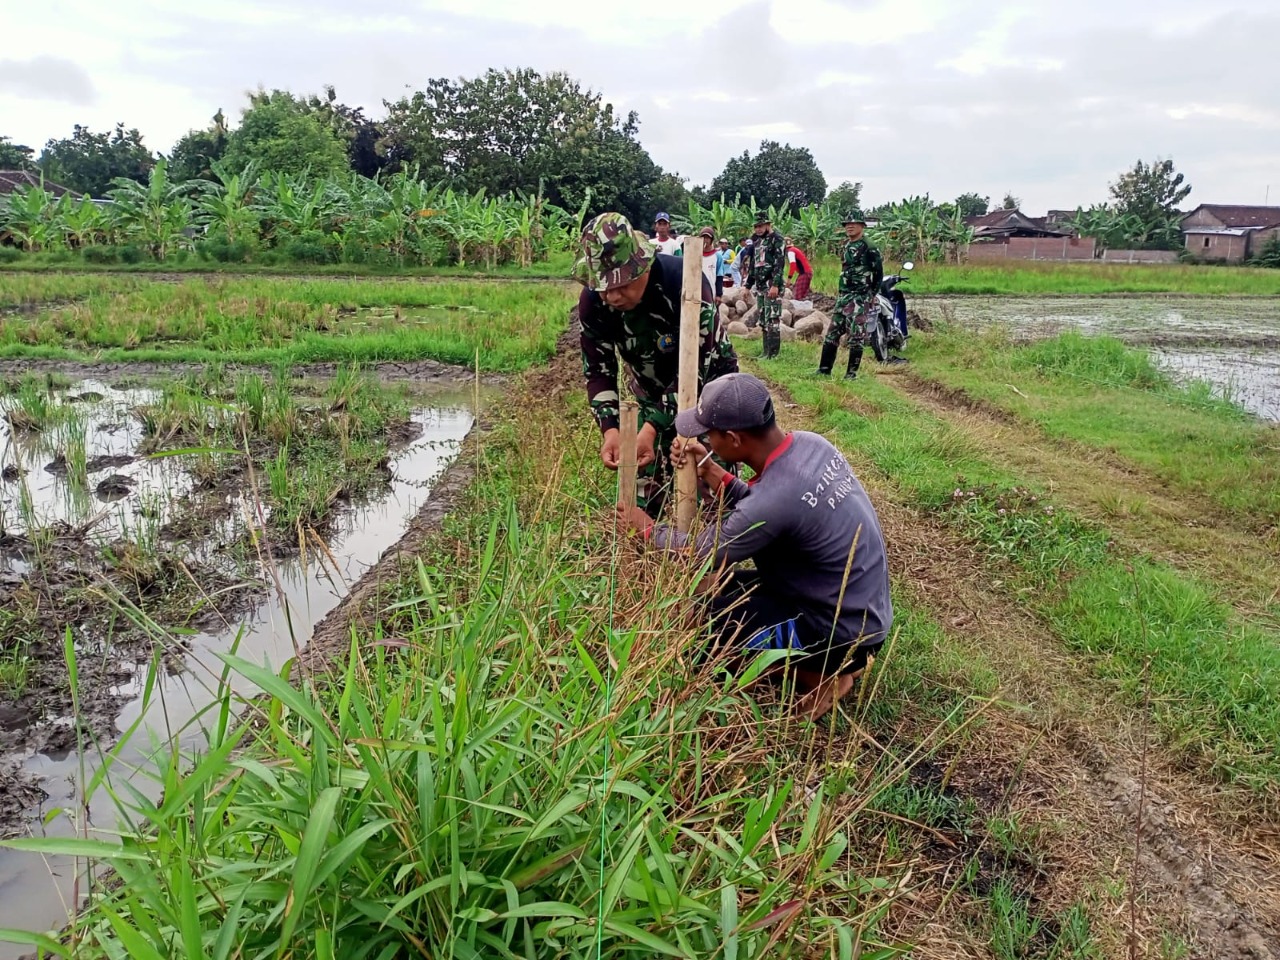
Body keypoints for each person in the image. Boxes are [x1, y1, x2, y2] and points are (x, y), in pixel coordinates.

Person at [615, 373, 892, 719]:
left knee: (705, 639)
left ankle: (821, 676)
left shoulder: (775, 500)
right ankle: (818, 664)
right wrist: (713, 472)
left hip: (841, 634)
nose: (706, 439)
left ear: (733, 438)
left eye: (709, 434)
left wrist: (646, 528)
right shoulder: (810, 444)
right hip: (855, 608)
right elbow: (768, 509)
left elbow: (698, 552)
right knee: (721, 595)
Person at [575, 212, 739, 517]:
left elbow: (697, 372)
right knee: (643, 491)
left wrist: (651, 427)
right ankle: (651, 557)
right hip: (650, 391)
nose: (613, 295)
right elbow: (598, 370)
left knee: (711, 494)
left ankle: (715, 558)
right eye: (603, 286)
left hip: (711, 396)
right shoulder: (595, 302)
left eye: (622, 283)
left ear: (642, 265)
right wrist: (610, 430)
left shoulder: (684, 285)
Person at [818, 212, 883, 380]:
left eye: (853, 223)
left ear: (862, 225)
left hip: (860, 298)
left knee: (856, 336)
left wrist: (872, 294)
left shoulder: (869, 246)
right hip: (845, 296)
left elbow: (878, 273)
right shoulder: (847, 245)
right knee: (832, 332)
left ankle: (851, 374)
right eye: (847, 224)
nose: (849, 226)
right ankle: (824, 370)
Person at [747, 212, 786, 358]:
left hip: (772, 285)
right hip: (760, 285)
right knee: (763, 319)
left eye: (760, 226)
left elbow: (779, 263)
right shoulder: (757, 242)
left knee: (773, 319)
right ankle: (765, 353)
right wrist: (748, 285)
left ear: (768, 225)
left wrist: (775, 284)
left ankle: (773, 355)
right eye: (756, 226)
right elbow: (753, 264)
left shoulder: (777, 239)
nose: (758, 229)